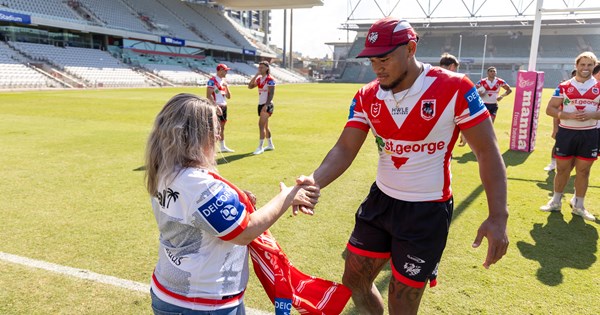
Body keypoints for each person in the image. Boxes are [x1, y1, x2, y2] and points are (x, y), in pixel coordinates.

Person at [296, 17, 509, 315]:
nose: (377, 67)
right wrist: (313, 181)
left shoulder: (455, 88)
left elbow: (487, 151)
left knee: (401, 304)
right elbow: (345, 148)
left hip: (426, 212)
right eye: (372, 60)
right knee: (353, 280)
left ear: (410, 49)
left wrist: (498, 216)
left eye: (384, 58)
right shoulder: (366, 95)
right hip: (380, 203)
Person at [145, 93, 319, 314]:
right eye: (213, 129)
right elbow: (245, 231)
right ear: (194, 135)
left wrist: (237, 201)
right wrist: (287, 196)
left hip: (177, 291)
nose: (218, 136)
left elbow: (194, 212)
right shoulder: (196, 184)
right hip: (200, 303)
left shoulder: (166, 168)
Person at [540, 52, 600, 221]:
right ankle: (556, 201)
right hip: (567, 133)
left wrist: (593, 115)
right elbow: (550, 109)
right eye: (582, 64)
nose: (585, 68)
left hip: (589, 134)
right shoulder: (564, 86)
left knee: (583, 171)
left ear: (594, 66)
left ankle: (579, 205)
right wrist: (566, 116)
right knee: (562, 169)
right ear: (576, 66)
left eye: (589, 65)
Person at [544, 69, 577, 172]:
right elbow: (555, 110)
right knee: (558, 144)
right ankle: (553, 163)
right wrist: (555, 128)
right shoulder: (565, 89)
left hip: (583, 127)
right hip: (564, 124)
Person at [248, 61, 276, 155]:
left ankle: (260, 147)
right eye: (259, 67)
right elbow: (250, 86)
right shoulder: (260, 79)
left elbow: (271, 93)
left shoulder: (270, 79)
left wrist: (267, 105)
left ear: (267, 68)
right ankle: (270, 145)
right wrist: (256, 76)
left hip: (267, 104)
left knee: (261, 125)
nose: (260, 69)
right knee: (265, 126)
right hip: (260, 104)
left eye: (262, 67)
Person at [439, 53, 466, 146]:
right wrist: (464, 133)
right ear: (452, 66)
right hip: (445, 134)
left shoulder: (427, 78)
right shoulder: (456, 83)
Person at [206, 63, 234, 153]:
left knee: (221, 128)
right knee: (213, 128)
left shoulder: (223, 81)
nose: (226, 72)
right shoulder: (212, 81)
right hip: (216, 107)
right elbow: (208, 95)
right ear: (220, 70)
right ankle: (210, 149)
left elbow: (229, 96)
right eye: (225, 70)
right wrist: (216, 106)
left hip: (224, 106)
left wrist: (226, 87)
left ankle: (222, 146)